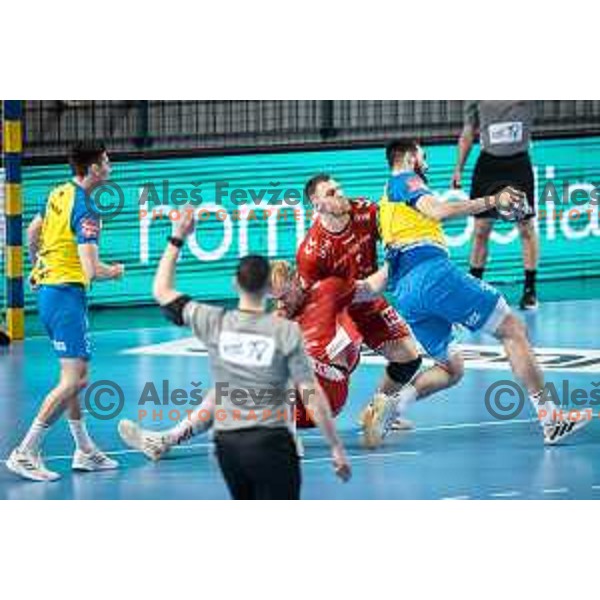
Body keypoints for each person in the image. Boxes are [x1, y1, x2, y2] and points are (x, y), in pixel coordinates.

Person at [360, 139, 589, 446]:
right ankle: (551, 418)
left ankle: (391, 407)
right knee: (512, 329)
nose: (425, 163)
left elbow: (392, 263)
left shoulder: (386, 205)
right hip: (432, 275)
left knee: (451, 368)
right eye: (423, 156)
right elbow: (439, 211)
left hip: (406, 292)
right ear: (410, 156)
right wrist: (492, 201)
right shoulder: (405, 179)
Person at [144, 209, 351, 499]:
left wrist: (177, 238)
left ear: (235, 285)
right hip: (274, 439)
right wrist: (335, 446)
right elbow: (310, 392)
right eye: (275, 298)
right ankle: (168, 438)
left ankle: (289, 437)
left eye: (283, 298)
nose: (280, 303)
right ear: (267, 289)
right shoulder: (283, 331)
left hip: (232, 443)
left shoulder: (216, 322)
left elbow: (161, 290)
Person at [6, 142, 124, 482]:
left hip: (50, 292)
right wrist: (114, 271)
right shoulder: (86, 210)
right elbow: (91, 270)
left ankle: (84, 450)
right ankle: (26, 450)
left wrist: (36, 267)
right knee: (77, 379)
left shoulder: (58, 192)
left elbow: (33, 231)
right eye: (106, 160)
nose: (110, 165)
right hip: (66, 297)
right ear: (93, 170)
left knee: (72, 377)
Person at [451, 101, 539, 310]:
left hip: (518, 165)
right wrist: (458, 169)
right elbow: (467, 133)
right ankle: (474, 289)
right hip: (489, 166)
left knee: (525, 228)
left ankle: (530, 290)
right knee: (481, 230)